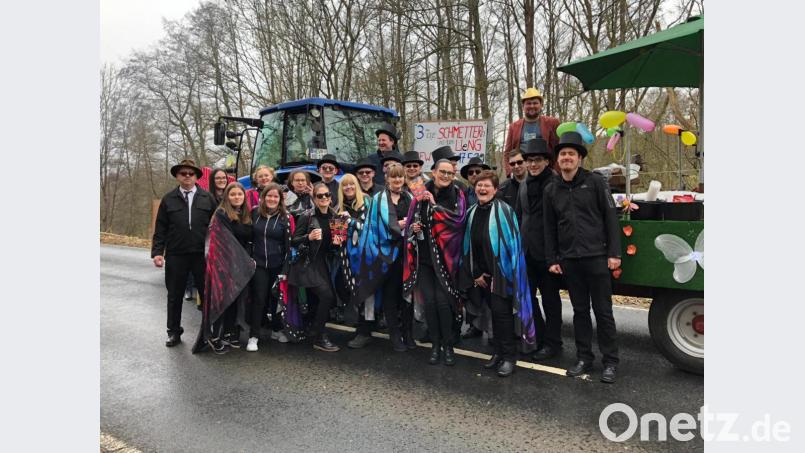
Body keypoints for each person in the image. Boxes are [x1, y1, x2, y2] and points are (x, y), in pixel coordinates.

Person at [544, 131, 622, 383]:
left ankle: (610, 361)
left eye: (571, 154)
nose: (566, 158)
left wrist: (614, 253)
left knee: (603, 311)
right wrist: (553, 258)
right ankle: (584, 357)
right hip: (570, 260)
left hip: (597, 257)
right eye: (562, 154)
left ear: (579, 158)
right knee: (579, 311)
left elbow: (611, 217)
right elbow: (549, 227)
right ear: (557, 160)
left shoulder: (596, 182)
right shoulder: (551, 189)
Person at [459, 170, 536, 377]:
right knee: (492, 316)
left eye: (487, 185)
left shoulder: (505, 212)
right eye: (479, 185)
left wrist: (496, 275)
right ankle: (498, 353)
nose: (482, 189)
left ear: (495, 189)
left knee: (503, 317)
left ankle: (509, 357)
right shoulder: (472, 212)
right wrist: (476, 274)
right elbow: (467, 246)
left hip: (502, 276)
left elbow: (511, 246)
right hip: (481, 276)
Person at [405, 159, 468, 366]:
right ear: (433, 172)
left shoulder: (457, 195)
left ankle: (448, 346)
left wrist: (435, 206)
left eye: (450, 173)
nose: (446, 176)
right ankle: (435, 345)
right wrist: (413, 227)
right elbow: (413, 219)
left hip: (446, 261)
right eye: (442, 172)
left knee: (444, 303)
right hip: (424, 259)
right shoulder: (419, 193)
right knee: (429, 304)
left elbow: (458, 222)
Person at [151, 159, 216, 347]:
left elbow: (217, 227)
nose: (187, 176)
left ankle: (208, 332)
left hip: (201, 255)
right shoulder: (168, 199)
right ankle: (173, 332)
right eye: (183, 173)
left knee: (206, 294)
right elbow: (160, 228)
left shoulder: (207, 198)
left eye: (191, 174)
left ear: (196, 177)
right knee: (174, 294)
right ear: (177, 176)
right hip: (176, 254)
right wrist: (157, 252)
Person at [349, 164, 414, 351]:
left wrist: (412, 227)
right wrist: (399, 225)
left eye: (400, 177)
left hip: (406, 255)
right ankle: (394, 336)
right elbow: (374, 227)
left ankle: (408, 334)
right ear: (387, 179)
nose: (397, 180)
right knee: (390, 296)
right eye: (393, 177)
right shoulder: (378, 199)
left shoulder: (409, 198)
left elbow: (416, 220)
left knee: (407, 296)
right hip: (384, 255)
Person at [192, 182, 255, 354]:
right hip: (223, 265)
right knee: (221, 301)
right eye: (233, 194)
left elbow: (247, 234)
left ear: (244, 197)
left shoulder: (246, 214)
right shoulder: (220, 214)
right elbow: (224, 240)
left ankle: (228, 333)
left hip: (239, 265)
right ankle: (213, 337)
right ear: (227, 197)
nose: (237, 197)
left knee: (234, 300)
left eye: (240, 194)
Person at [520, 138, 564, 361]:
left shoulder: (555, 183)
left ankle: (554, 343)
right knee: (527, 298)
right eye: (529, 160)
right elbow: (523, 215)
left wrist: (555, 254)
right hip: (527, 250)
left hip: (548, 253)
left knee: (551, 300)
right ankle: (539, 336)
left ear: (547, 161)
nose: (533, 164)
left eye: (537, 160)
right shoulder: (525, 183)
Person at [287, 183, 345, 352]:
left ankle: (312, 330)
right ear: (314, 199)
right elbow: (294, 240)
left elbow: (335, 248)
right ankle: (319, 336)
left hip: (323, 263)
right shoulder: (307, 216)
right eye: (319, 196)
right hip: (307, 263)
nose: (324, 198)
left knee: (322, 299)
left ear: (331, 197)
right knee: (326, 296)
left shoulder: (337, 217)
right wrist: (309, 236)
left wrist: (337, 244)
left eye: (326, 195)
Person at [248, 183, 297, 352]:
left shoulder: (286, 217)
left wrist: (285, 270)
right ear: (263, 197)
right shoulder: (254, 213)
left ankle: (276, 329)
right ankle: (253, 336)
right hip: (259, 264)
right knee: (259, 298)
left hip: (278, 265)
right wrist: (250, 258)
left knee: (276, 299)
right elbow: (248, 237)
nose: (272, 199)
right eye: (269, 196)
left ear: (280, 199)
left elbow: (289, 246)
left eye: (276, 196)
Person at [456, 156, 491, 340]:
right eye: (471, 173)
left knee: (488, 291)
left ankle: (492, 330)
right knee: (471, 290)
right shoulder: (462, 194)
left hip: (486, 248)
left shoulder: (491, 193)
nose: (475, 175)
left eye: (478, 172)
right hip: (467, 247)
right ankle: (474, 325)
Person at [503, 87, 560, 175]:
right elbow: (507, 152)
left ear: (541, 105)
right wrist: (509, 172)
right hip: (522, 171)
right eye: (528, 103)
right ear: (523, 106)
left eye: (535, 103)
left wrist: (556, 170)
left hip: (546, 171)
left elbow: (558, 149)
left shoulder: (552, 123)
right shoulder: (514, 127)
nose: (532, 106)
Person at [495, 151, 528, 218]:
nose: (516, 166)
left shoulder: (536, 185)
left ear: (526, 162)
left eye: (519, 162)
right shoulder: (502, 188)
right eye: (512, 164)